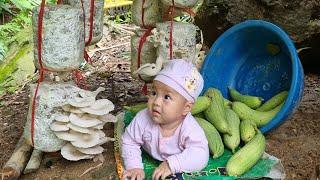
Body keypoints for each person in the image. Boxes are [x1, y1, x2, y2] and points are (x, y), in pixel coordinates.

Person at [122, 59, 209, 180]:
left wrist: (172, 164)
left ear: (186, 108)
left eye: (167, 97)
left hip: (176, 161)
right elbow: (129, 140)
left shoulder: (189, 128)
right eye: (154, 93)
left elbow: (201, 155)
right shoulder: (143, 118)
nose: (156, 102)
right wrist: (134, 166)